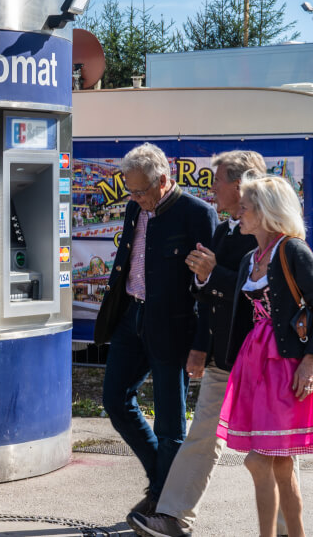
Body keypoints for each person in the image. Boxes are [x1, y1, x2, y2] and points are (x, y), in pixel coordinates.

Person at [128, 151, 274, 537]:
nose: (212, 187)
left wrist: (215, 274)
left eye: (218, 180)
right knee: (202, 437)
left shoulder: (274, 236)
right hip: (223, 357)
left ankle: (284, 529)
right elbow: (208, 296)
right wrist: (200, 343)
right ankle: (173, 517)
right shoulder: (226, 231)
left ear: (241, 185)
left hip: (261, 359)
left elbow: (260, 294)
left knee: (274, 455)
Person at [93, 143, 217, 521]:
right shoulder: (136, 207)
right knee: (115, 400)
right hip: (133, 316)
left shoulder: (198, 214)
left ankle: (164, 503)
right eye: (130, 190)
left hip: (174, 326)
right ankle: (160, 482)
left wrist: (201, 346)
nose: (135, 198)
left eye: (141, 191)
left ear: (164, 180)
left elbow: (210, 290)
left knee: (169, 423)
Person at [217, 175, 313, 537]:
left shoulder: (292, 250)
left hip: (285, 364)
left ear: (267, 212)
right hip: (254, 363)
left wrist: (309, 361)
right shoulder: (249, 259)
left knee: (260, 460)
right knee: (279, 465)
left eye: (245, 207)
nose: (237, 212)